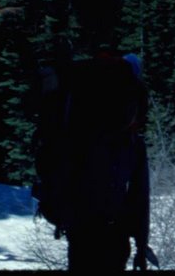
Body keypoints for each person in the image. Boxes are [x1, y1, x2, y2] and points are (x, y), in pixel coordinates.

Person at [62, 53, 151, 271]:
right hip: (114, 229)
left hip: (81, 227)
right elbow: (140, 196)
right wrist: (141, 244)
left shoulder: (82, 135)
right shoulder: (133, 144)